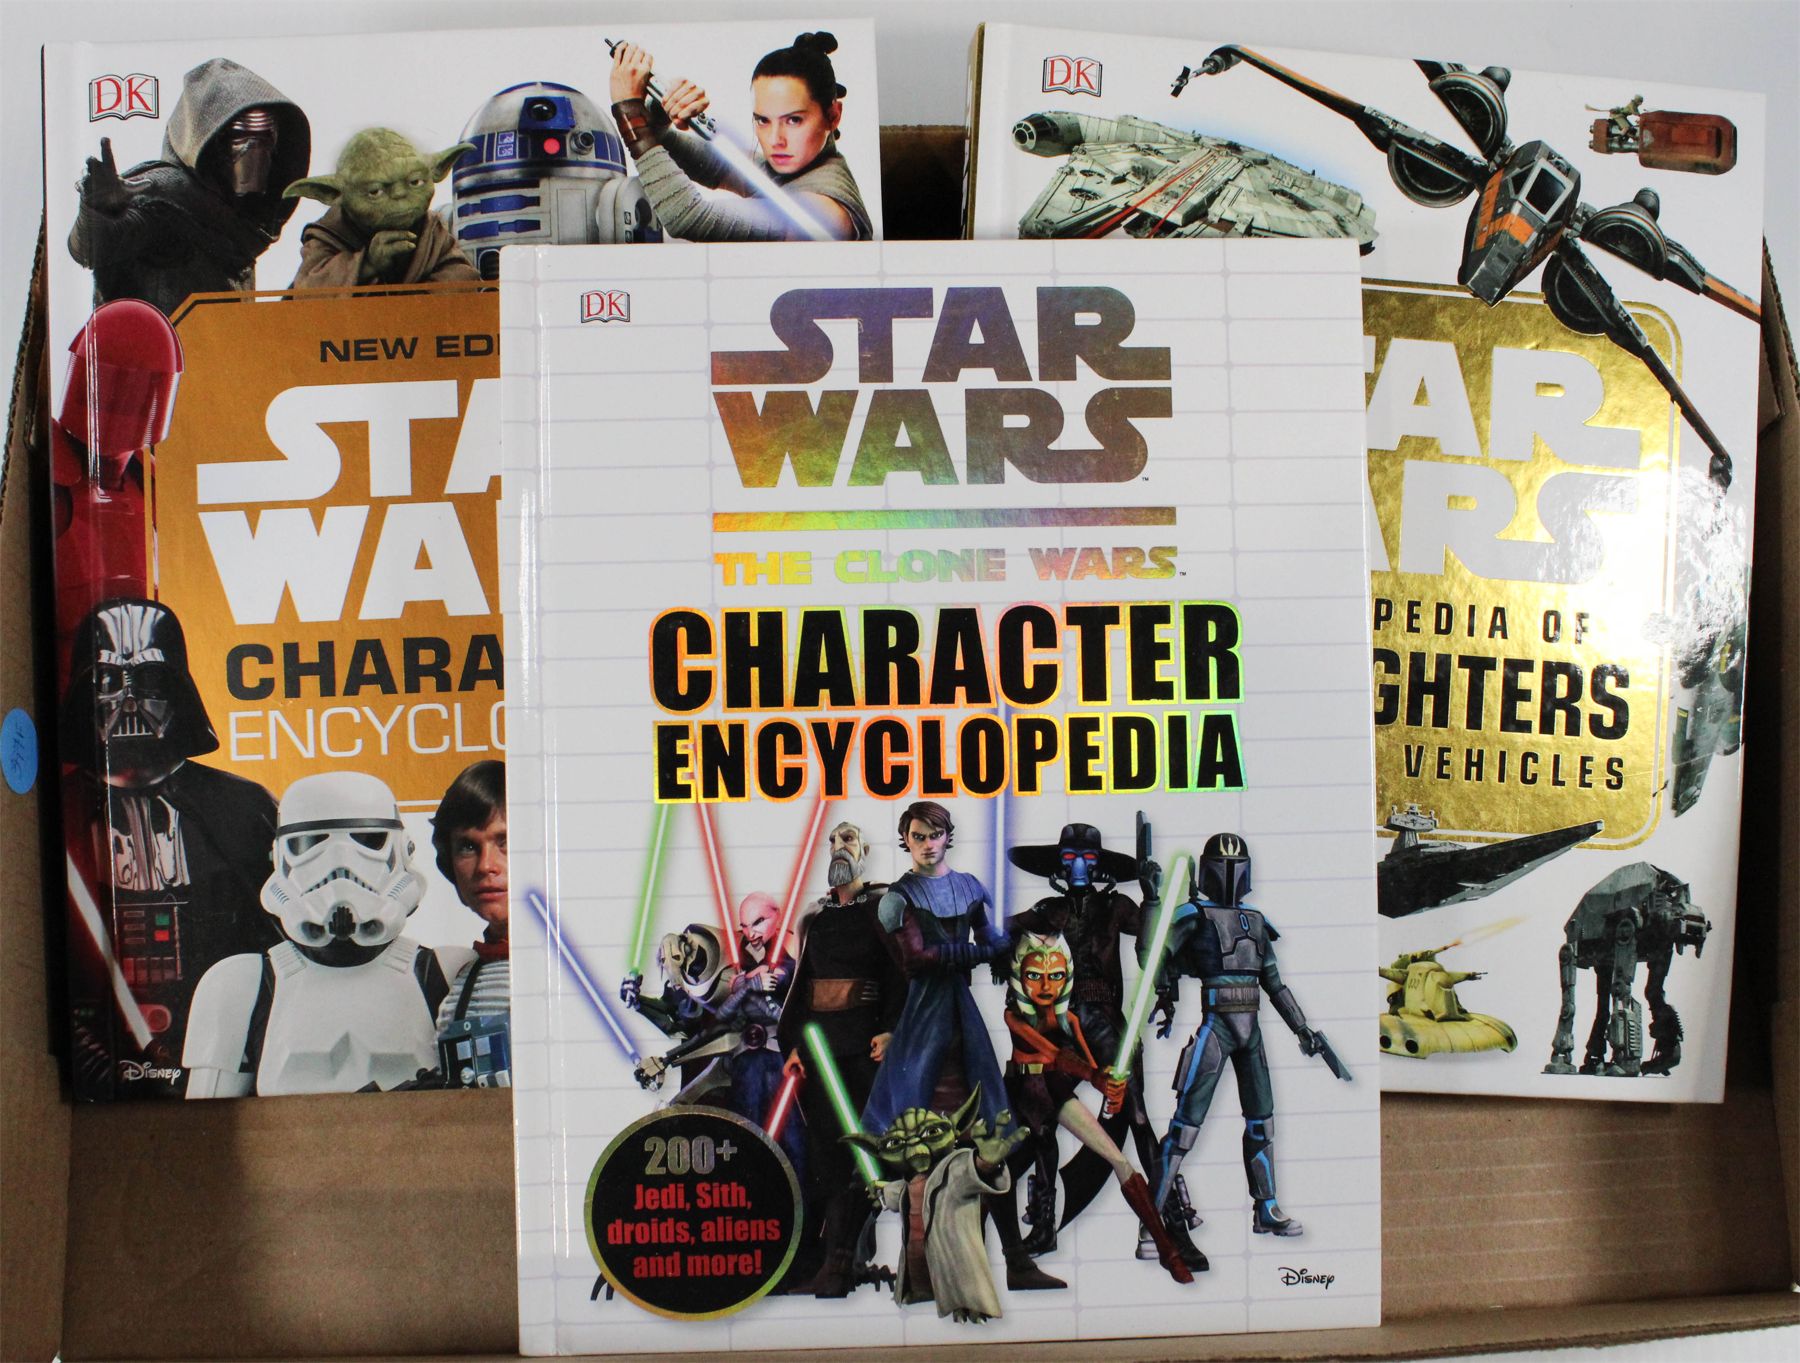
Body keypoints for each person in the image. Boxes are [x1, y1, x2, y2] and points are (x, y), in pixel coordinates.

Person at [861, 801, 1059, 1292]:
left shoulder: (970, 886)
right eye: (918, 836)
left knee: (989, 1142)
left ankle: (1015, 1261)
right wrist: (979, 950)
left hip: (962, 1025)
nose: (928, 844)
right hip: (922, 1023)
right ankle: (922, 1274)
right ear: (905, 839)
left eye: (935, 835)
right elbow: (917, 959)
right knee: (917, 1149)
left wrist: (1007, 937)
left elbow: (992, 941)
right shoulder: (898, 898)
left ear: (948, 836)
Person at [1147, 833, 1331, 1256]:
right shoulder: (1192, 915)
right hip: (1218, 1026)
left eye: (1236, 865)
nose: (1230, 873)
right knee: (1184, 1129)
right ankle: (1152, 1221)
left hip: (1251, 1030)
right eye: (1223, 865)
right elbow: (1155, 957)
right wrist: (1153, 903)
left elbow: (1274, 984)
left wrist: (1302, 1028)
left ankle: (1266, 1208)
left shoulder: (1257, 921)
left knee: (1262, 1124)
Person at [1002, 932, 1193, 1283]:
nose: (1045, 985)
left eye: (1055, 976)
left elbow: (1088, 1065)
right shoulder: (1014, 1016)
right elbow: (1056, 1055)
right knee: (1004, 1168)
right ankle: (1028, 1236)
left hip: (1051, 1092)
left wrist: (1108, 1084)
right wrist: (1093, 1075)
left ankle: (1168, 1249)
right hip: (1020, 1095)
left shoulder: (1070, 1020)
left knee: (1119, 1161)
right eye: (1035, 976)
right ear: (1019, 976)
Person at [69, 57, 311, 314]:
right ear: (212, 140)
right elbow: (89, 249)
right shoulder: (166, 193)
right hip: (160, 339)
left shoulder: (241, 226)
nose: (255, 153)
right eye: (241, 137)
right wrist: (98, 209)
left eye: (265, 138)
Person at [776, 821, 905, 1296]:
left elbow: (899, 974)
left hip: (866, 1048)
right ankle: (830, 1260)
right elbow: (800, 986)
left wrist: (892, 1029)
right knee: (826, 1155)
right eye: (832, 840)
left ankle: (845, 1257)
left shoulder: (884, 906)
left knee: (869, 1151)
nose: (838, 847)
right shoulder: (814, 916)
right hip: (820, 1051)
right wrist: (791, 1043)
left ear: (865, 850)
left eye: (847, 839)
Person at [607, 32, 872, 242]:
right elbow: (707, 164)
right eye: (763, 120)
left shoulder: (824, 213)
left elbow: (689, 217)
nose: (775, 140)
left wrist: (629, 110)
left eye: (794, 120)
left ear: (833, 116)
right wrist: (662, 108)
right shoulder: (800, 167)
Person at [430, 761, 510, 1086]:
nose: (486, 866)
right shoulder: (461, 986)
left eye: (505, 842)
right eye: (468, 847)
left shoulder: (589, 966)